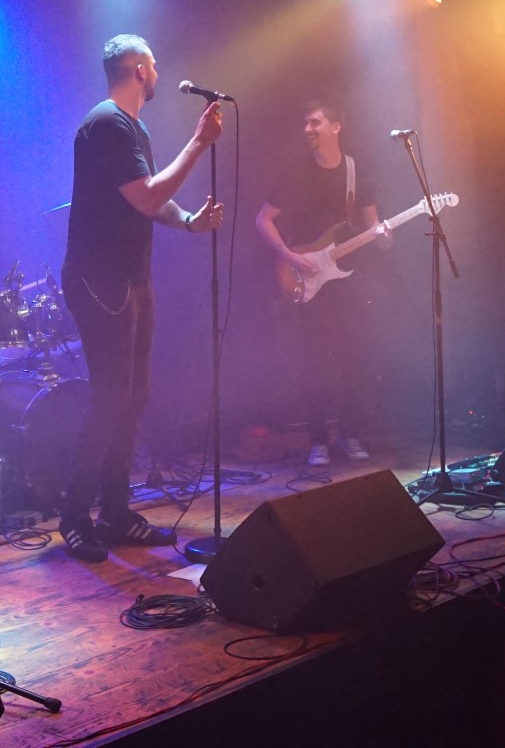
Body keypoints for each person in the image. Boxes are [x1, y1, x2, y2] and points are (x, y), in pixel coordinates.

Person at [58, 34, 224, 562]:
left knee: (132, 399)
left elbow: (149, 199)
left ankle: (115, 513)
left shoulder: (133, 127)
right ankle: (74, 517)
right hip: (99, 282)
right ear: (139, 70)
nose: (158, 71)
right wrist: (198, 144)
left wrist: (190, 222)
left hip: (131, 279)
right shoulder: (107, 124)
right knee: (110, 399)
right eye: (153, 64)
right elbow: (149, 195)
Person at [255, 100, 393, 468]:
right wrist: (290, 256)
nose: (307, 129)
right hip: (304, 275)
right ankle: (318, 439)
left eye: (315, 122)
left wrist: (384, 236)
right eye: (305, 123)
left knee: (351, 359)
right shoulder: (295, 172)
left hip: (345, 279)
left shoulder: (355, 172)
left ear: (336, 127)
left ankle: (349, 434)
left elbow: (373, 227)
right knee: (313, 362)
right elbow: (263, 220)